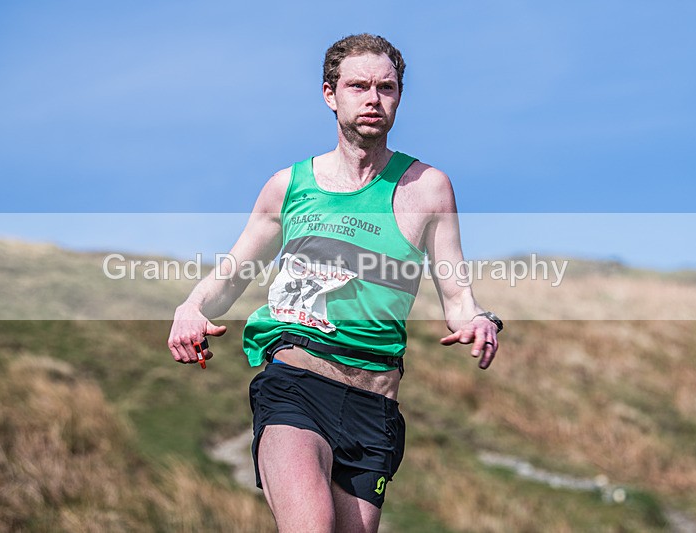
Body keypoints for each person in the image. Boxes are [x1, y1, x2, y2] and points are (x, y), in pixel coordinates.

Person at [168, 33, 503, 533]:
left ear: (399, 96)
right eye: (358, 86)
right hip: (296, 386)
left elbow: (456, 295)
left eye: (386, 87)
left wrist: (479, 319)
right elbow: (234, 272)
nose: (373, 99)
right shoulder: (288, 186)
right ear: (330, 94)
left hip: (375, 404)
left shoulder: (428, 188)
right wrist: (191, 307)